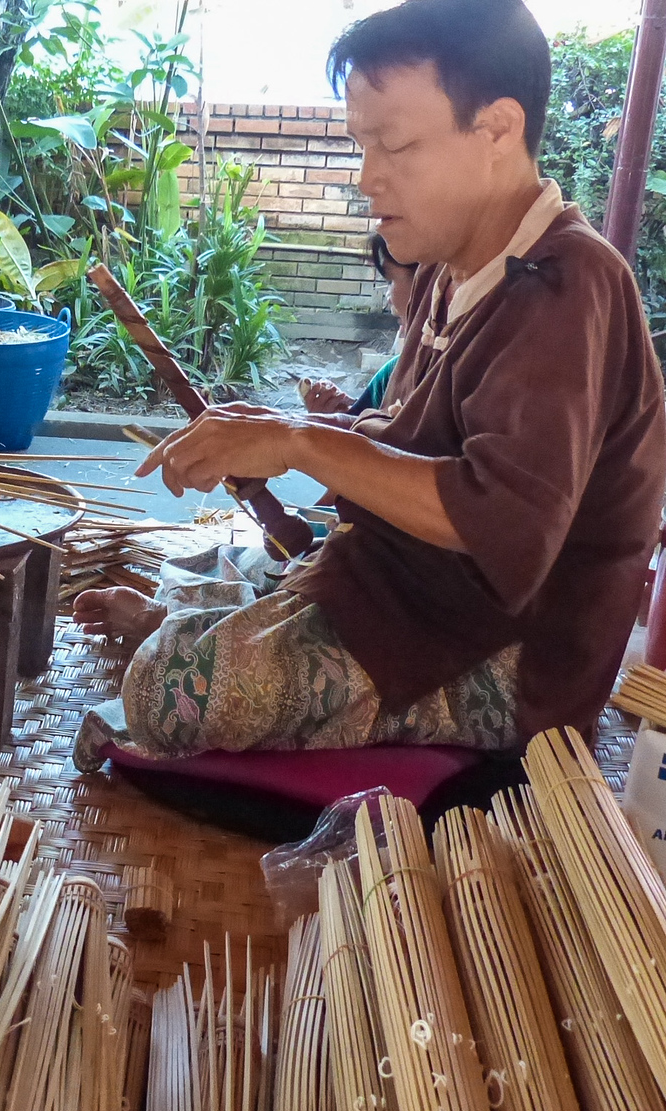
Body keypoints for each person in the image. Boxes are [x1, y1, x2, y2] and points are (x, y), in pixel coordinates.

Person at [73, 0, 665, 770]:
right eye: (361, 144)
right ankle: (189, 616)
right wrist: (275, 433)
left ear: (496, 129)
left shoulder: (567, 285)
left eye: (393, 144)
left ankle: (181, 627)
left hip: (504, 659)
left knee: (163, 689)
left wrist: (299, 442)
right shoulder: (451, 271)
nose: (365, 178)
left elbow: (505, 520)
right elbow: (412, 442)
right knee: (214, 574)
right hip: (409, 594)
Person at [302, 233, 418, 415]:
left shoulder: (452, 378)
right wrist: (336, 415)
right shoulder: (391, 375)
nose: (388, 299)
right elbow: (359, 424)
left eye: (390, 281)